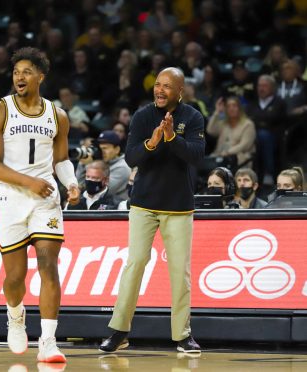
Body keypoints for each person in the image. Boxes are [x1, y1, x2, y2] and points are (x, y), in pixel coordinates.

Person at [0, 47, 80, 363]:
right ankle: (15, 314)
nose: (19, 77)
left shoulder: (57, 115)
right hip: (10, 198)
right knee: (14, 277)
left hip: (45, 201)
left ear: (40, 76)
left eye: (26, 71)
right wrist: (28, 182)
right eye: (15, 72)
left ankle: (48, 342)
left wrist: (72, 183)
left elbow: (61, 159)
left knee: (49, 266)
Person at [99, 67, 205, 354]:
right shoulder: (143, 116)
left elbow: (196, 156)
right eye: (157, 84)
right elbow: (132, 157)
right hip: (143, 204)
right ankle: (119, 331)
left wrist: (171, 138)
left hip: (179, 207)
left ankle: (182, 335)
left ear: (180, 91)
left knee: (179, 272)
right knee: (134, 264)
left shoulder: (192, 117)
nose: (160, 90)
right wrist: (152, 142)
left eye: (167, 86)